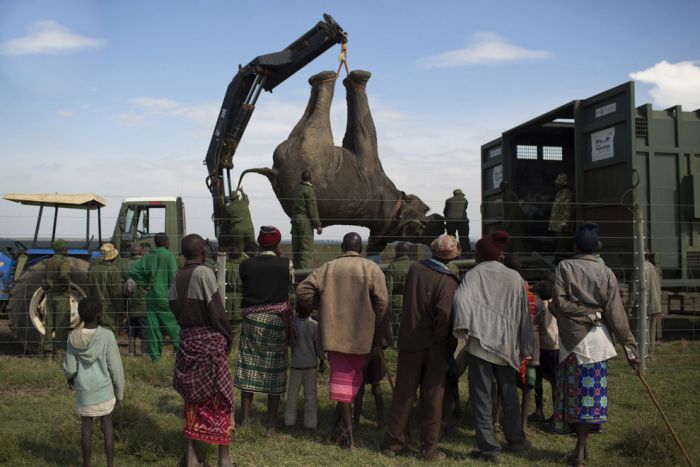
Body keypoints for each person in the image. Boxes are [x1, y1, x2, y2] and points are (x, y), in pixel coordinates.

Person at [551, 222, 639, 466]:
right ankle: (583, 448)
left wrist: (580, 313)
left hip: (572, 342)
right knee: (590, 397)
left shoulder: (564, 267)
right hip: (597, 342)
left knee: (574, 396)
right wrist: (631, 350)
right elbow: (617, 316)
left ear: (575, 245)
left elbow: (560, 304)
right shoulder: (606, 273)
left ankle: (579, 451)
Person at [296, 232, 389, 449]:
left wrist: (320, 303)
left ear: (341, 247)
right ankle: (344, 434)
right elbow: (383, 303)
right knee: (348, 385)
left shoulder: (328, 268)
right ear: (361, 249)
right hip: (363, 337)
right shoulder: (371, 269)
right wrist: (378, 329)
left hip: (335, 336)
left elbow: (303, 290)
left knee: (344, 385)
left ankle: (346, 436)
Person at [453, 231, 534, 463]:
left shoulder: (474, 274)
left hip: (480, 344)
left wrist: (465, 328)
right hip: (506, 345)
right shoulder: (515, 277)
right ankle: (516, 439)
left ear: (480, 254)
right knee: (509, 393)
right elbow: (523, 314)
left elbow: (460, 300)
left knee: (481, 396)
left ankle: (489, 449)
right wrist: (525, 344)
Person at [382, 234, 461, 461]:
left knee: (403, 393)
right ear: (452, 257)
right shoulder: (448, 281)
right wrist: (444, 342)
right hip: (435, 346)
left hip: (409, 341)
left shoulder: (416, 269)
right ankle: (428, 449)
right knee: (433, 396)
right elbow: (445, 316)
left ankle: (393, 443)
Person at [169, 234, 234, 467]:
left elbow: (173, 307)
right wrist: (227, 335)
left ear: (184, 254)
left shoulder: (177, 276)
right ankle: (224, 460)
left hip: (188, 342)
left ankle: (191, 459)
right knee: (220, 401)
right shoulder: (204, 273)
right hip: (210, 345)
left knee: (192, 402)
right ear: (203, 252)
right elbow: (215, 309)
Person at [235, 226, 294, 429]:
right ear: (277, 244)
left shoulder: (245, 265)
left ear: (259, 243)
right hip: (276, 323)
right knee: (275, 371)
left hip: (251, 322)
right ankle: (270, 422)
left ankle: (245, 419)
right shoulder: (286, 264)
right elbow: (290, 288)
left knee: (248, 369)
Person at [63, 296, 124, 467]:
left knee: (86, 428)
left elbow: (70, 368)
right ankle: (110, 464)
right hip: (104, 390)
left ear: (80, 315)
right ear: (99, 315)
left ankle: (86, 464)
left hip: (84, 391)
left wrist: (70, 379)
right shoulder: (107, 336)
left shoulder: (72, 338)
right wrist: (119, 393)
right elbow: (116, 368)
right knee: (108, 426)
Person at [128, 232, 181, 361]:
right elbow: (174, 278)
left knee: (153, 328)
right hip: (166, 297)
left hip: (151, 297)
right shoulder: (169, 256)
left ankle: (156, 358)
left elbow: (133, 271)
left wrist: (144, 283)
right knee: (172, 326)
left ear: (155, 243)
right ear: (167, 242)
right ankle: (182, 350)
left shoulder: (149, 256)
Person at [285, 302, 325, 429]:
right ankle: (311, 424)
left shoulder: (293, 325)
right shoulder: (314, 325)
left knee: (292, 396)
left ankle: (289, 422)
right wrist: (322, 360)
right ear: (311, 311)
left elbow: (289, 342)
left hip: (296, 366)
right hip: (310, 367)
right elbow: (318, 346)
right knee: (310, 397)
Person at [530, 274, 559, 424]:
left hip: (544, 346)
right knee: (555, 381)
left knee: (539, 379)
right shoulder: (558, 301)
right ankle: (554, 413)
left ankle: (540, 410)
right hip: (555, 345)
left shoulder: (540, 303)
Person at [353, 321, 391, 431]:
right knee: (360, 390)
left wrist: (380, 340)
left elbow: (385, 336)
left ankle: (381, 422)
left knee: (376, 388)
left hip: (374, 352)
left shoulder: (379, 313)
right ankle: (356, 423)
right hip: (361, 352)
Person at [43, 239, 72, 356]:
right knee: (61, 324)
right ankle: (60, 352)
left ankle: (48, 351)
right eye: (66, 248)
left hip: (50, 296)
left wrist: (48, 287)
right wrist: (65, 286)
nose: (67, 250)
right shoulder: (63, 262)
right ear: (63, 249)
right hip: (61, 296)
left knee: (49, 324)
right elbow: (64, 275)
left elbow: (44, 279)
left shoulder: (48, 261)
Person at [633, 251, 663, 357]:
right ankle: (651, 353)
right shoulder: (655, 268)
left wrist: (631, 305)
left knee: (644, 331)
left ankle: (644, 354)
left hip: (645, 304)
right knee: (652, 331)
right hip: (656, 303)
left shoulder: (640, 269)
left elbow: (635, 290)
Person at [88, 243, 124, 334]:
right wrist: (121, 310)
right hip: (109, 309)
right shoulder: (114, 271)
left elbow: (89, 290)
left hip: (94, 307)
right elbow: (117, 293)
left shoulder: (92, 270)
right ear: (113, 257)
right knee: (109, 333)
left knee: (96, 333)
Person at [291, 169, 323, 269]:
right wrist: (318, 225)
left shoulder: (297, 188)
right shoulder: (309, 189)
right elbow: (312, 209)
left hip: (295, 219)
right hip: (305, 221)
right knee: (306, 249)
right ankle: (304, 276)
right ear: (310, 179)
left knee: (296, 248)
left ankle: (295, 273)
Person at [384, 242, 413, 344]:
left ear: (397, 251)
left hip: (397, 301)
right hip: (413, 300)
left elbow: (388, 290)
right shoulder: (416, 265)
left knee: (396, 324)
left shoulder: (392, 267)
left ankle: (396, 343)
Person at [123, 244, 148, 356]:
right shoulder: (146, 264)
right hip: (144, 302)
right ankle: (144, 352)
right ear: (141, 253)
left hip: (131, 302)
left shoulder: (125, 266)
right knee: (144, 328)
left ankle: (131, 352)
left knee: (132, 328)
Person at [548, 173, 574, 256]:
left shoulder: (567, 194)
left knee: (562, 244)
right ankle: (558, 257)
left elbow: (567, 209)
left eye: (558, 183)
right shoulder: (559, 193)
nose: (556, 185)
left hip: (561, 225)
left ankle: (561, 258)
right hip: (556, 224)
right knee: (558, 243)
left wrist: (564, 222)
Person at [224, 188, 255, 253]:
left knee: (239, 250)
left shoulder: (228, 208)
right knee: (252, 248)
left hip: (237, 230)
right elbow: (245, 197)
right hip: (249, 228)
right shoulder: (244, 202)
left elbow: (226, 221)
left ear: (231, 199)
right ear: (237, 197)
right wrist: (241, 191)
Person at [443, 188, 471, 254]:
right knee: (464, 237)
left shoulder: (448, 200)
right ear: (461, 194)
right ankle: (466, 252)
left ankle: (451, 252)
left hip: (450, 221)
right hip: (463, 220)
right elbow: (465, 208)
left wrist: (447, 217)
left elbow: (445, 211)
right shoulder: (465, 200)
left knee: (451, 237)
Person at [500, 181, 523, 252]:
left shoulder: (508, 195)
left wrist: (507, 223)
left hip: (512, 222)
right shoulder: (509, 194)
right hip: (513, 221)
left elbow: (512, 210)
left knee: (513, 241)